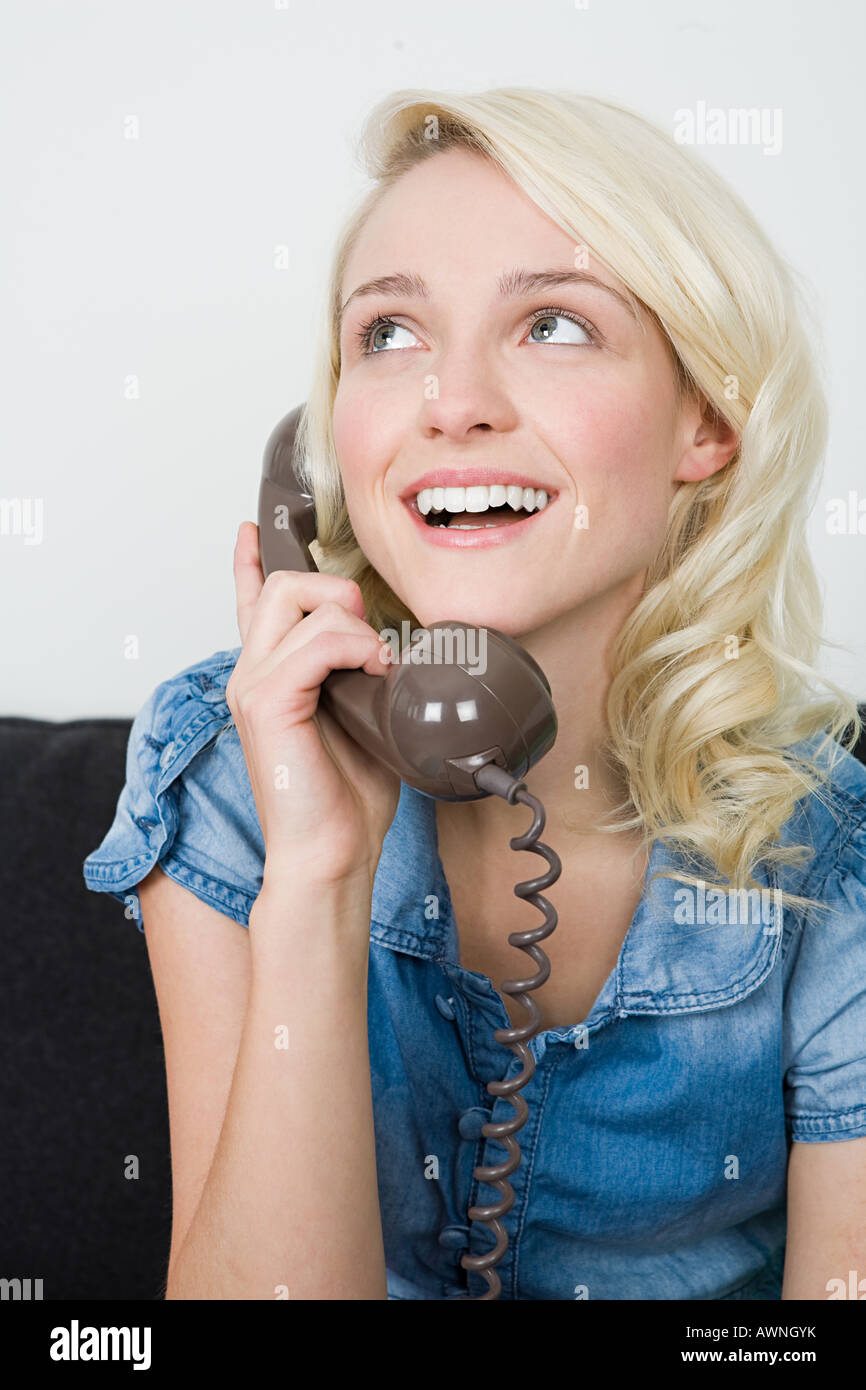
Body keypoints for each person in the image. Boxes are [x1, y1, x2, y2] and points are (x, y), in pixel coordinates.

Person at [83, 87, 866, 1301]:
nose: (449, 402)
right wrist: (317, 880)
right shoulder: (229, 769)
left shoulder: (828, 848)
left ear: (703, 421)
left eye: (551, 324)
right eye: (386, 336)